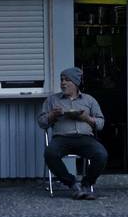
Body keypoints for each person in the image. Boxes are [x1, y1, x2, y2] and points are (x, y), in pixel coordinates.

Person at [38, 67, 107, 200]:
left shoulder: (89, 100)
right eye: (61, 80)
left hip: (85, 138)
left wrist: (87, 118)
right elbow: (41, 122)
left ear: (76, 83)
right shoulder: (52, 100)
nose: (63, 83)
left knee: (101, 154)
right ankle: (72, 184)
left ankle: (86, 185)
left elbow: (101, 123)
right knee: (50, 153)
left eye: (67, 80)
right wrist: (52, 115)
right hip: (61, 138)